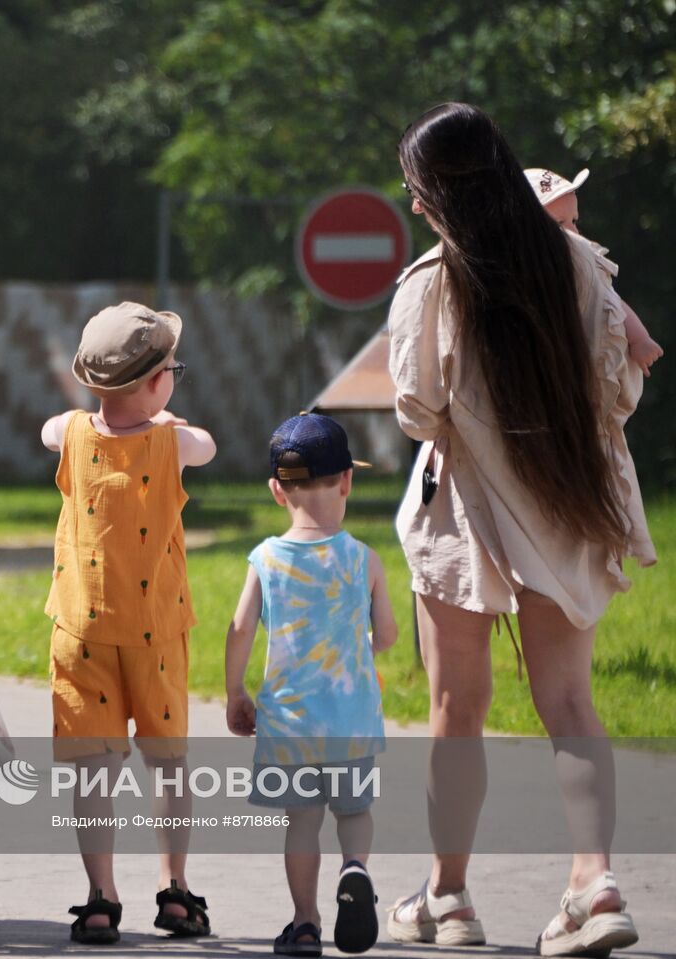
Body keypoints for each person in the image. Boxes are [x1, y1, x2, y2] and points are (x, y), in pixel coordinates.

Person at [386, 102, 654, 956]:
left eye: (415, 188)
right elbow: (619, 393)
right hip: (570, 504)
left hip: (463, 509)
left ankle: (451, 896)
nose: (413, 203)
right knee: (571, 702)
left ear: (437, 190)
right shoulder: (577, 261)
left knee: (455, 706)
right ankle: (594, 880)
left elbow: (417, 407)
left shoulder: (432, 281)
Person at [40, 302, 216, 945]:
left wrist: (92, 413)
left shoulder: (72, 433)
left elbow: (49, 431)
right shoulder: (175, 441)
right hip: (157, 631)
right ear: (154, 383)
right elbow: (208, 444)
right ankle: (174, 892)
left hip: (80, 630)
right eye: (173, 369)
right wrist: (167, 422)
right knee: (168, 766)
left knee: (93, 771)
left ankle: (99, 898)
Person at [224, 413, 395, 957]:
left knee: (301, 823)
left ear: (277, 491)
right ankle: (356, 869)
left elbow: (240, 628)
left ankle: (304, 923)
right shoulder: (365, 560)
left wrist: (236, 692)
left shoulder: (266, 559)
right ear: (347, 480)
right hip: (351, 721)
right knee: (354, 813)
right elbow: (387, 636)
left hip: (290, 725)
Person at [523, 167, 663, 376]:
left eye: (574, 220)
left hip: (581, 363)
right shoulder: (518, 267)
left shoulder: (580, 261)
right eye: (560, 223)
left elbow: (612, 301)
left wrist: (639, 338)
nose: (573, 231)